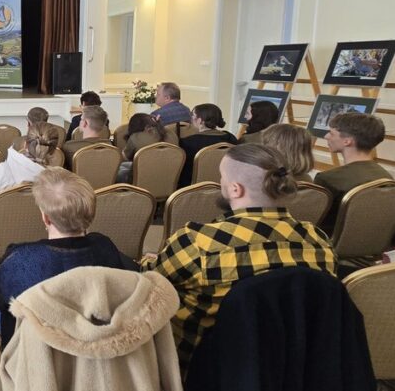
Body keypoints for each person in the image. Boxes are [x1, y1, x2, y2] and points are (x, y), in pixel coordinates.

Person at [144, 144, 336, 373]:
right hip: (292, 365)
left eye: (222, 176)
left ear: (235, 189)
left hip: (205, 367)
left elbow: (151, 284)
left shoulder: (198, 242)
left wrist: (148, 261)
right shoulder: (318, 241)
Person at [0, 169, 137, 348]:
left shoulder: (21, 259)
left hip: (36, 351)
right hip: (91, 346)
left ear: (46, 218)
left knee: (3, 307)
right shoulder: (105, 247)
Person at [0, 122, 56, 249]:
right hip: (41, 243)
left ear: (25, 144)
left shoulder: (3, 171)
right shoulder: (59, 180)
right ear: (53, 151)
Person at [314, 112, 392, 237]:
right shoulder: (387, 178)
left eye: (331, 133)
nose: (326, 136)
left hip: (328, 248)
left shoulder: (328, 179)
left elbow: (314, 224)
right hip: (372, 246)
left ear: (347, 141)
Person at [178, 104, 238, 188]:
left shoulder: (188, 142)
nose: (191, 118)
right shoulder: (230, 138)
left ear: (200, 120)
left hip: (193, 188)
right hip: (225, 185)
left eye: (193, 115)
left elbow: (183, 171)